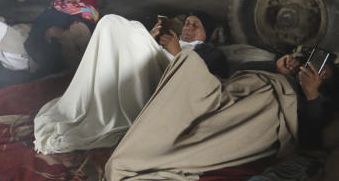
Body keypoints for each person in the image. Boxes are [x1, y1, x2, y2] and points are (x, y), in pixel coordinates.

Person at [103, 47, 339, 181]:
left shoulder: (321, 104)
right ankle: (147, 146)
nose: (313, 71)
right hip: (235, 91)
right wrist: (276, 67)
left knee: (209, 131)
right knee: (189, 65)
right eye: (314, 66)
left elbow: (311, 140)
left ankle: (150, 158)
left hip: (264, 114)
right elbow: (237, 74)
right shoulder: (285, 74)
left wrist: (311, 96)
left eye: (322, 73)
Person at [32, 11, 229, 155]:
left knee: (115, 24)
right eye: (187, 23)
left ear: (207, 34)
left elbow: (202, 79)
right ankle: (95, 98)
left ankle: (105, 106)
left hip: (168, 73)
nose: (188, 28)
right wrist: (150, 40)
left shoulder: (209, 52)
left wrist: (176, 52)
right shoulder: (170, 39)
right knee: (120, 25)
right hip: (149, 64)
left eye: (196, 25)